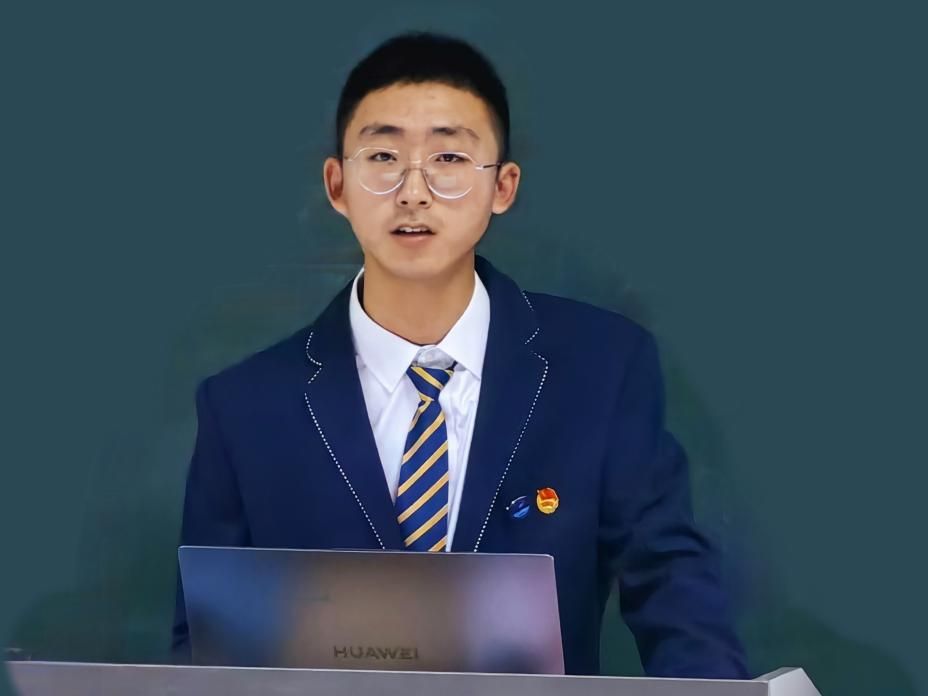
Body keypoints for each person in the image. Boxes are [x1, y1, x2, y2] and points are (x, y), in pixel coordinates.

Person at [172, 31, 748, 678]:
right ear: (337, 185)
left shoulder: (601, 369)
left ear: (503, 186)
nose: (413, 191)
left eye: (448, 157)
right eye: (383, 156)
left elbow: (672, 586)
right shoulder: (245, 408)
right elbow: (205, 650)